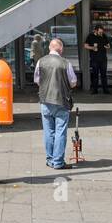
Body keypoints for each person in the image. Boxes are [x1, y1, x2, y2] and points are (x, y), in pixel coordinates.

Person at [34, 38, 77, 169]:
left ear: (49, 48)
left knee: (48, 131)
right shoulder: (65, 63)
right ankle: (58, 162)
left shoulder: (41, 61)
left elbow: (37, 80)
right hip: (61, 101)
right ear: (61, 49)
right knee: (60, 131)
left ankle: (50, 159)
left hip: (45, 101)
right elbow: (73, 82)